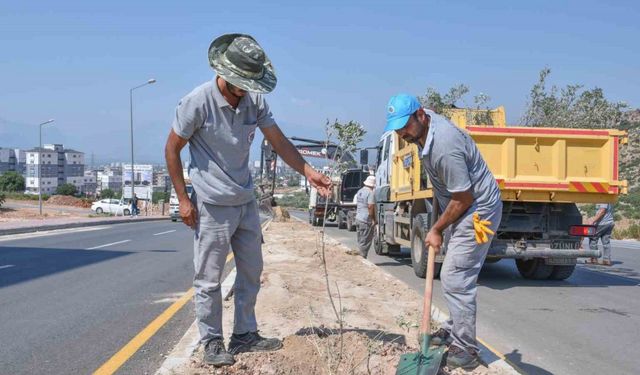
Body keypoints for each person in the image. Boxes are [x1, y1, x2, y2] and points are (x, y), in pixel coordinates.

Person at [164, 33, 331, 367]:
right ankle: (211, 341)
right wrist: (183, 198)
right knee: (209, 279)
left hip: (245, 201)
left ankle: (244, 334)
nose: (246, 89)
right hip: (212, 203)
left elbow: (279, 142)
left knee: (252, 271)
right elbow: (171, 149)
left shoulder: (255, 101)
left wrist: (308, 171)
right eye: (242, 82)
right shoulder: (197, 102)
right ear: (225, 73)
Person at [384, 94, 502, 370]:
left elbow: (463, 198)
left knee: (455, 275)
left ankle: (466, 349)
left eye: (406, 126)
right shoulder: (423, 133)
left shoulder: (444, 145)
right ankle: (452, 328)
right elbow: (445, 191)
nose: (403, 133)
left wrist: (436, 228)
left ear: (421, 116)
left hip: (477, 212)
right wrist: (440, 224)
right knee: (452, 270)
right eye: (398, 129)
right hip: (461, 208)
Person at [355, 175, 376, 258]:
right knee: (365, 242)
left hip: (358, 218)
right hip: (365, 220)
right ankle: (362, 259)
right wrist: (373, 219)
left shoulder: (360, 191)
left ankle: (359, 258)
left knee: (360, 240)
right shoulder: (370, 193)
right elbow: (370, 207)